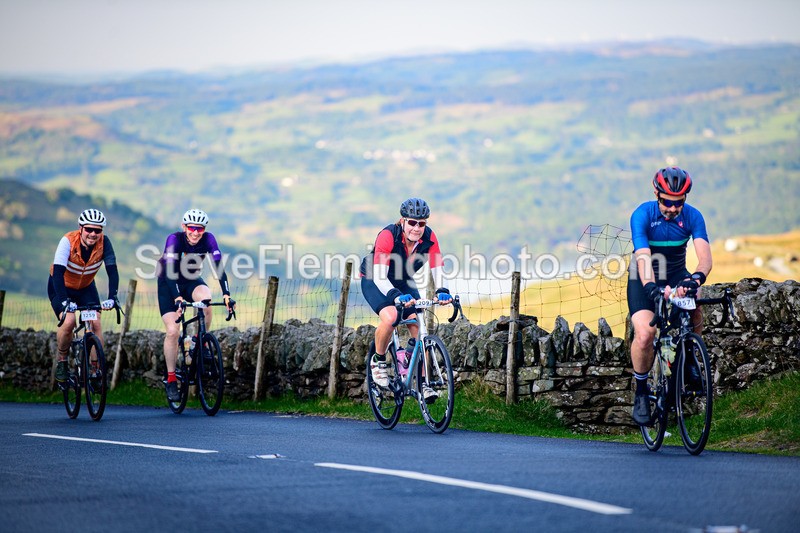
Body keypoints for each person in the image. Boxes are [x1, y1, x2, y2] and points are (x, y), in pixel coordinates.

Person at [627, 167, 712, 425]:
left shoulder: (693, 217)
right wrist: (651, 286)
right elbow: (642, 258)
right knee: (645, 335)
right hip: (644, 276)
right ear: (656, 193)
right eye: (667, 202)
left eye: (678, 203)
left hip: (676, 272)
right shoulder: (642, 214)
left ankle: (689, 357)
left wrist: (696, 277)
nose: (673, 208)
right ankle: (641, 391)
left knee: (695, 303)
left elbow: (705, 257)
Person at [360, 197, 452, 402]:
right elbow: (381, 277)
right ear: (403, 221)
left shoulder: (429, 237)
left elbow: (437, 266)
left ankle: (423, 384)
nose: (417, 228)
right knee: (392, 317)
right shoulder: (388, 236)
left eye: (421, 223)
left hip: (403, 279)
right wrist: (396, 296)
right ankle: (379, 361)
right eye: (412, 222)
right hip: (375, 278)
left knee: (420, 329)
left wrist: (443, 290)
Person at [157, 209, 234, 402]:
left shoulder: (208, 239)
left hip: (191, 280)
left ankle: (198, 341)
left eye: (200, 228)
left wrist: (226, 294)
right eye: (192, 228)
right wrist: (177, 298)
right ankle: (172, 379)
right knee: (173, 331)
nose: (196, 232)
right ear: (184, 227)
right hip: (168, 283)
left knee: (206, 299)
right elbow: (169, 273)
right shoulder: (174, 240)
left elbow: (218, 267)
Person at [49, 209, 119, 383]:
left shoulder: (105, 243)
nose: (93, 234)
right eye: (89, 229)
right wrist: (65, 301)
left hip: (86, 287)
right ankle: (63, 360)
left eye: (98, 230)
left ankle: (95, 369)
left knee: (95, 322)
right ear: (81, 228)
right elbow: (58, 273)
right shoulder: (67, 241)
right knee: (69, 321)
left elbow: (112, 271)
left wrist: (112, 297)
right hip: (61, 287)